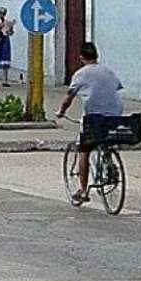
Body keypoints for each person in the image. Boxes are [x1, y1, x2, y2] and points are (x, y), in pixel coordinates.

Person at [56, 42, 125, 207]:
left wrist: (61, 112)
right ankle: (109, 162)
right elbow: (117, 89)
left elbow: (69, 97)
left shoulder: (81, 74)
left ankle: (83, 190)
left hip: (94, 118)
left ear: (81, 57)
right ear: (96, 56)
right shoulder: (108, 71)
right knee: (105, 140)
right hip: (115, 116)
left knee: (84, 150)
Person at [0, 7, 14, 85]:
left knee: (5, 60)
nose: (2, 15)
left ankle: (5, 80)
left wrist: (10, 30)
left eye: (3, 14)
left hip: (5, 40)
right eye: (0, 13)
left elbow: (11, 32)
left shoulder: (7, 22)